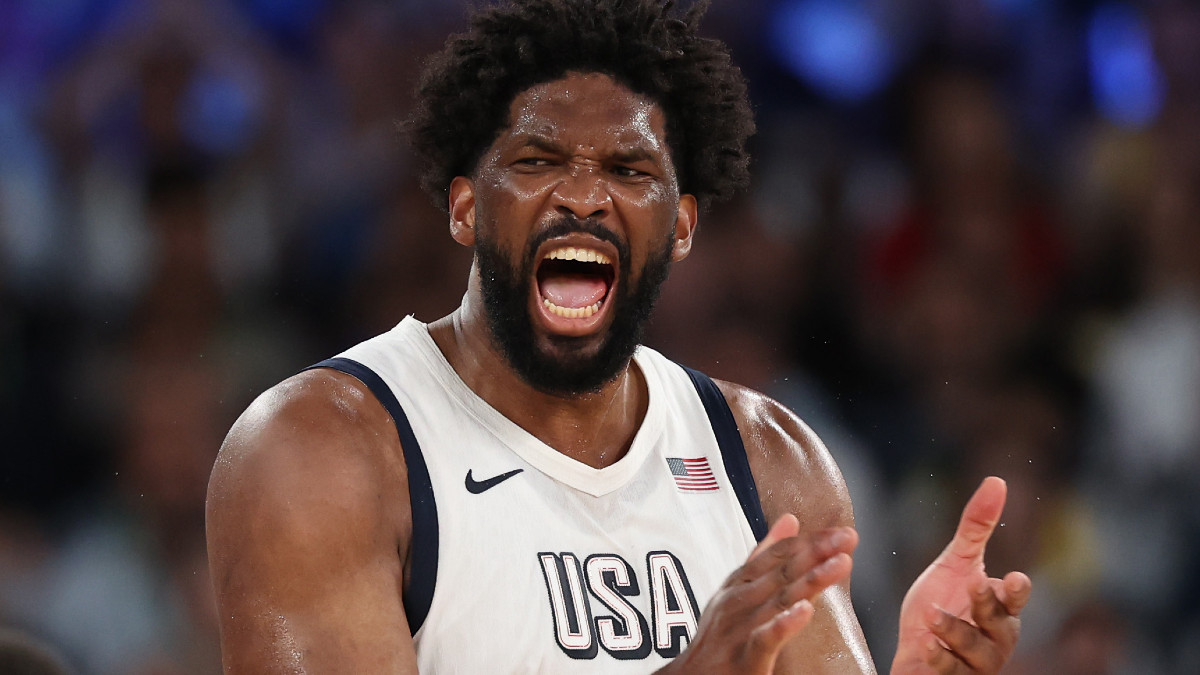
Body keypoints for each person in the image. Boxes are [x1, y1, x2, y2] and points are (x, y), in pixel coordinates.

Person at [205, 0, 1032, 672]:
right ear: (463, 207)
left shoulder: (770, 459)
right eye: (537, 159)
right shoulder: (320, 450)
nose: (583, 195)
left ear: (680, 225)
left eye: (629, 171)